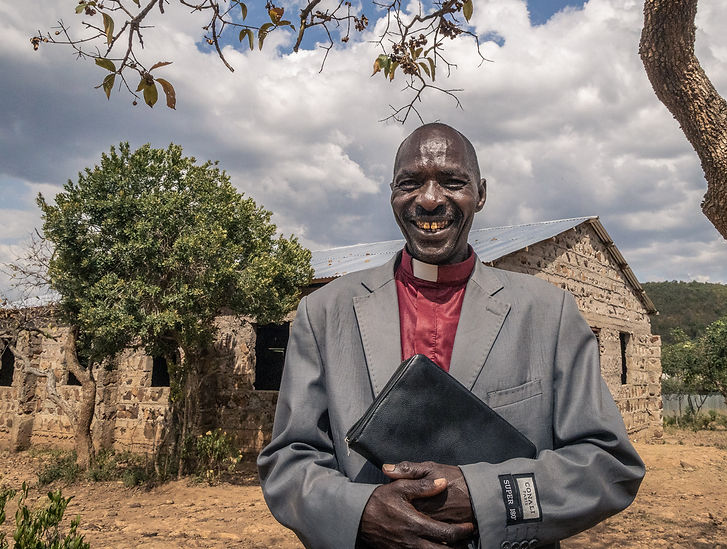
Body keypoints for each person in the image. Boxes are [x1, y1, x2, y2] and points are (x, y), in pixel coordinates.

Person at [257, 123, 644, 548]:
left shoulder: (548, 314)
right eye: (410, 183)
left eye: (452, 182)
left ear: (480, 193)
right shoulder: (325, 312)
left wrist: (482, 495)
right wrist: (361, 513)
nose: (428, 199)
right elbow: (288, 462)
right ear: (392, 194)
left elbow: (607, 465)